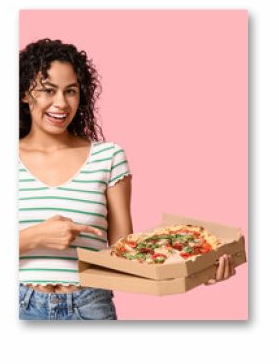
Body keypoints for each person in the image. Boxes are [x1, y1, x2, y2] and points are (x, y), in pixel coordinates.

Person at [19, 38, 235, 321]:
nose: (61, 103)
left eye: (70, 91)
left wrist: (197, 269)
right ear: (25, 93)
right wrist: (36, 237)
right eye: (48, 90)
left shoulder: (108, 157)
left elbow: (123, 255)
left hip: (90, 305)